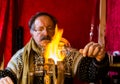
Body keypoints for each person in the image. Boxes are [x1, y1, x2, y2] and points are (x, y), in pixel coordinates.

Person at [0, 12, 109, 84]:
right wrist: (3, 79)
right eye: (40, 29)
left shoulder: (66, 53)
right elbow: (8, 74)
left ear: (56, 30)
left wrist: (99, 59)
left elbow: (91, 73)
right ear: (32, 33)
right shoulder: (21, 56)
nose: (46, 32)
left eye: (50, 28)